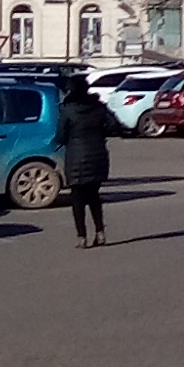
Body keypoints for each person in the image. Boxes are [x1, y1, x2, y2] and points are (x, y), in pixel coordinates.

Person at [57, 80, 112, 247]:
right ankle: (100, 232)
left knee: (77, 199)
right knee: (94, 196)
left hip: (76, 157)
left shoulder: (68, 110)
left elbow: (60, 136)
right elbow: (112, 125)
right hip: (97, 155)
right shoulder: (99, 106)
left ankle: (82, 237)